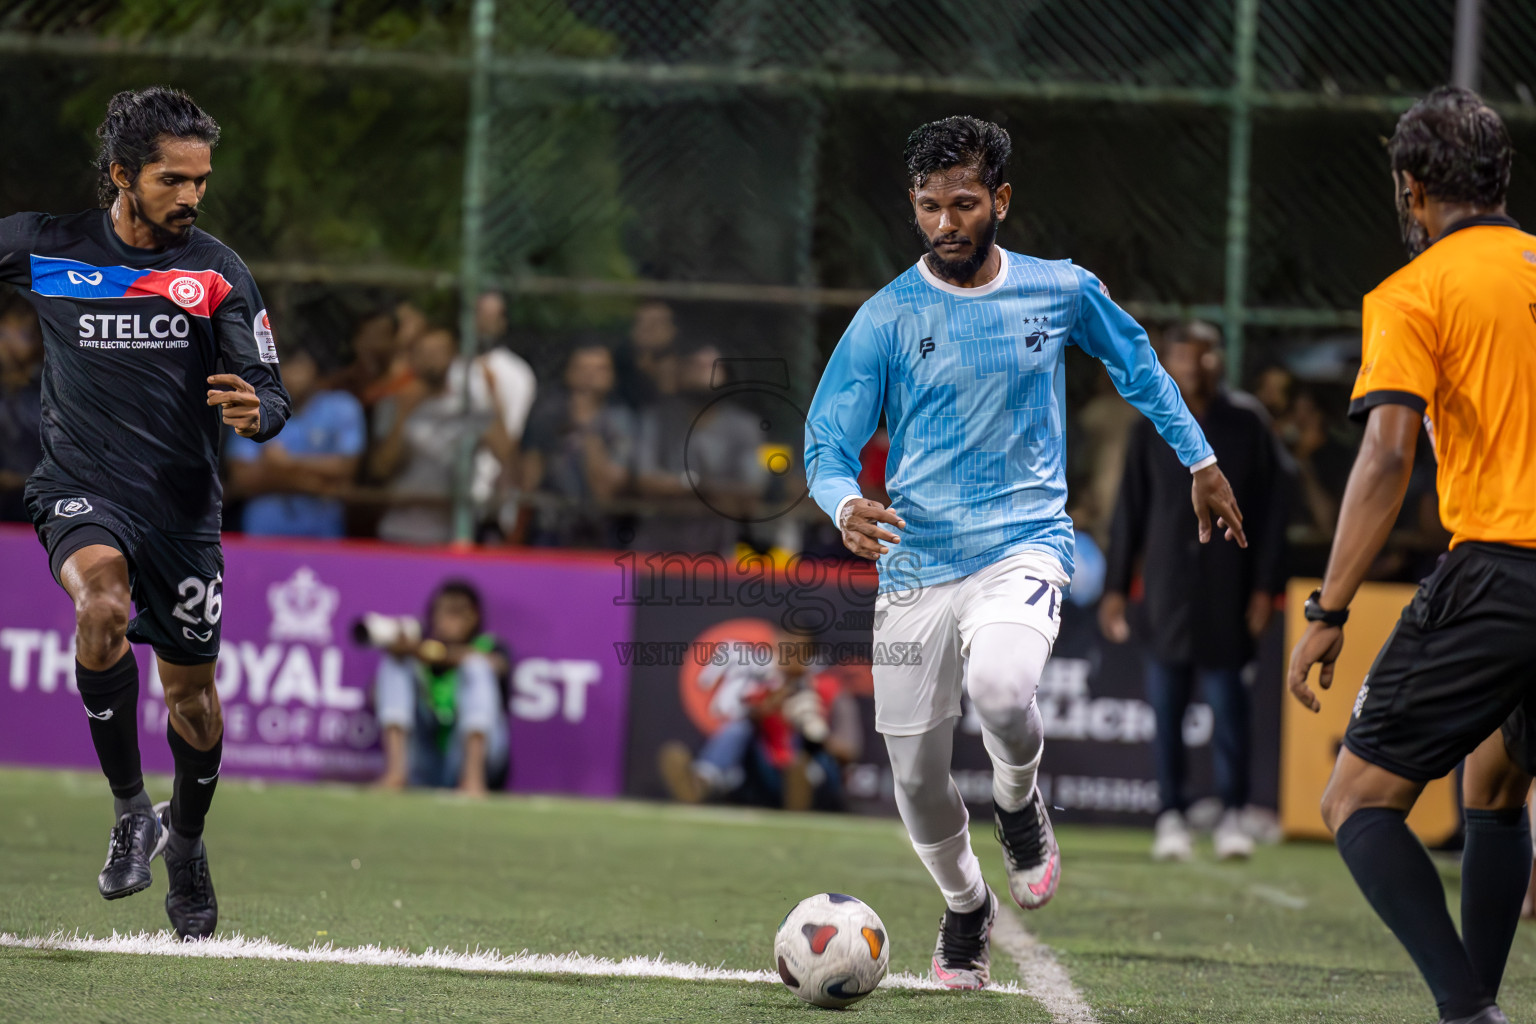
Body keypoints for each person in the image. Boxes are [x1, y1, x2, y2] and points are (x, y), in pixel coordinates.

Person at [803, 116, 1245, 989]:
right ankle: (967, 906)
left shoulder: (1061, 290)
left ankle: (1017, 803)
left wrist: (1200, 457)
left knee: (1003, 688)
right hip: (916, 563)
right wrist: (845, 500)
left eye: (964, 203)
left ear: (1000, 201)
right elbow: (826, 440)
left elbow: (1139, 364)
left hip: (1026, 544)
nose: (946, 223)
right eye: (929, 206)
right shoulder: (886, 316)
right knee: (918, 779)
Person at [0, 88, 290, 940]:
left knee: (194, 706)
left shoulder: (217, 271)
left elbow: (268, 389)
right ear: (121, 175)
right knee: (102, 608)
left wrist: (257, 411)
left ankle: (187, 843)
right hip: (80, 489)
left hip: (182, 511)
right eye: (173, 179)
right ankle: (132, 810)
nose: (192, 196)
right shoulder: (44, 246)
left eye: (201, 180)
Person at [1286, 87, 1535, 1024]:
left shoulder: (1415, 290)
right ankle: (1476, 1003)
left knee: (1356, 800)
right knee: (1497, 776)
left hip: (1504, 567)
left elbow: (1388, 454)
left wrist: (1330, 609)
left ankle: (1468, 1013)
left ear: (1413, 186)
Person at [1101, 321, 1287, 862]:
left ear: (1219, 360)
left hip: (1230, 588)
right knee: (1167, 710)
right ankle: (1171, 816)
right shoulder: (1151, 424)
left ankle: (1233, 813)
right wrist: (1115, 587)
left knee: (1231, 710)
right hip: (1165, 590)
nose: (1193, 365)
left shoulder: (1249, 423)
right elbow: (1127, 513)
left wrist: (1266, 588)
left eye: (1204, 356)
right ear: (1168, 361)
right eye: (1183, 355)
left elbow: (1275, 514)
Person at [659, 646, 863, 812]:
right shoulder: (765, 688)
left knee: (810, 747)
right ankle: (701, 781)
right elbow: (745, 714)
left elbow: (848, 752)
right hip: (767, 771)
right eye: (784, 651)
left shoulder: (829, 690)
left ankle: (802, 787)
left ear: (810, 656)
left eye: (797, 652)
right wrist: (766, 709)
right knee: (739, 728)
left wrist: (815, 732)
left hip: (813, 771)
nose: (788, 660)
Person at [372, 580, 510, 795]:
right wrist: (401, 648)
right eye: (444, 611)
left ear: (474, 617)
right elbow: (373, 698)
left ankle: (473, 781)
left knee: (477, 667)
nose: (450, 619)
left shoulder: (490, 646)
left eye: (458, 612)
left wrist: (426, 651)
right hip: (425, 757)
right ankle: (395, 773)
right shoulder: (417, 650)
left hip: (465, 757)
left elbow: (498, 666)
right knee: (395, 662)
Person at [632, 344, 768, 556]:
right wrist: (705, 488)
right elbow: (645, 482)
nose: (706, 373)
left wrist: (680, 486)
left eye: (714, 366)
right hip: (655, 548)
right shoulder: (657, 418)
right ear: (682, 371)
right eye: (697, 366)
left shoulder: (744, 426)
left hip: (719, 549)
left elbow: (748, 495)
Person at [370, 326, 501, 545]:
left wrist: (490, 394)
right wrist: (403, 414)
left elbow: (505, 454)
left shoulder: (468, 407)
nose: (432, 360)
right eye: (424, 352)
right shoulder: (392, 405)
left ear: (454, 356)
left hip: (454, 535)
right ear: (412, 358)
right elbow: (381, 469)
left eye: (440, 351)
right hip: (398, 531)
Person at [226, 347, 364, 538]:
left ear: (314, 370)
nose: (290, 375)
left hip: (324, 533)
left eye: (298, 367)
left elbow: (346, 468)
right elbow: (242, 479)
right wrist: (316, 486)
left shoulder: (342, 406)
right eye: (283, 367)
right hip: (263, 533)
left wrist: (285, 464)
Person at [520, 342, 632, 546]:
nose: (589, 376)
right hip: (549, 532)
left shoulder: (621, 421)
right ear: (568, 373)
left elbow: (605, 492)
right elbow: (529, 483)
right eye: (582, 368)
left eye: (599, 369)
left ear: (612, 376)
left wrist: (586, 426)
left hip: (603, 535)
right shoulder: (547, 415)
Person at [0, 296, 43, 522]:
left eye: (24, 334)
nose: (8, 344)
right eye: (4, 334)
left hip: (41, 501)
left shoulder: (49, 388)